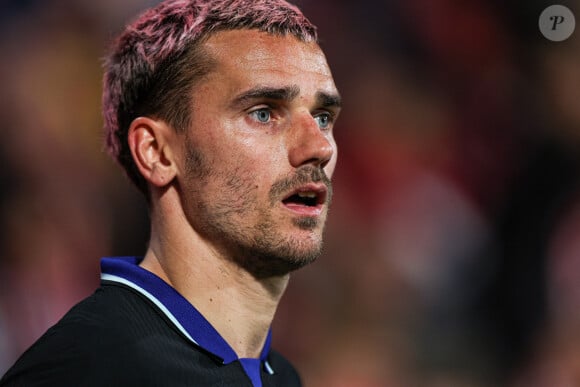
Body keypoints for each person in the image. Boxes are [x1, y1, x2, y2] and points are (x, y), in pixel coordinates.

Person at [0, 0, 341, 385]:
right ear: (157, 152)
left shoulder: (283, 376)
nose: (319, 146)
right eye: (263, 112)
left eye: (323, 117)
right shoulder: (86, 369)